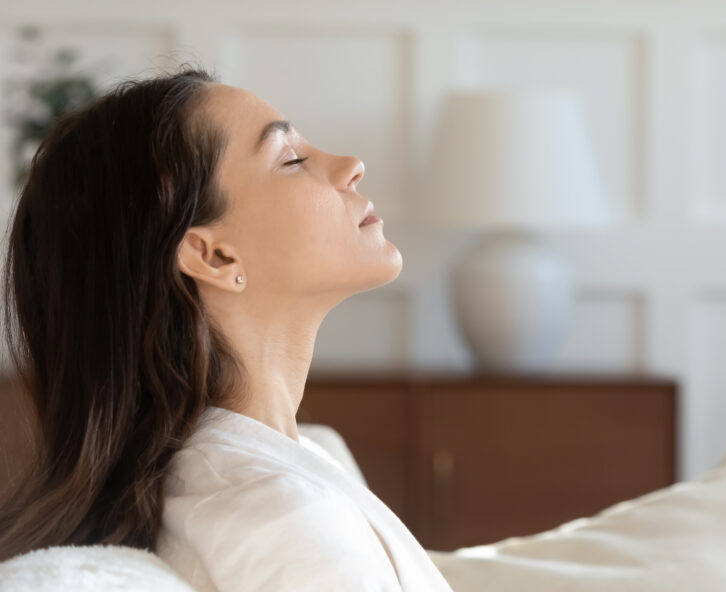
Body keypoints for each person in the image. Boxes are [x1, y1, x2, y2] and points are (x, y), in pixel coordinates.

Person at [0, 66, 454, 591]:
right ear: (212, 254)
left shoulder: (272, 471)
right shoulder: (278, 516)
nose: (351, 166)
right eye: (292, 160)